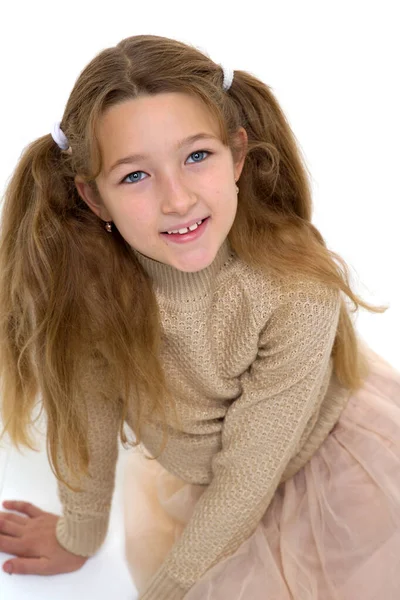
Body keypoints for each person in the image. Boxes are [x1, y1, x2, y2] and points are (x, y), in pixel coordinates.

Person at [0, 34, 399, 600]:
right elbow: (85, 419)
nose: (178, 200)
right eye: (135, 175)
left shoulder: (294, 289)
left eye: (196, 156)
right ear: (94, 198)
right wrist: (79, 536)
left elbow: (247, 473)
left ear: (237, 155)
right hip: (209, 464)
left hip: (318, 461)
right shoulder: (90, 286)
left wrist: (166, 590)